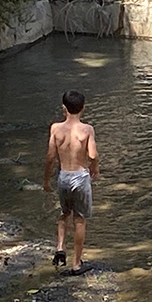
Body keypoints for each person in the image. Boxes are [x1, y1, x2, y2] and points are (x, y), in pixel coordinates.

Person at [43, 90, 98, 275]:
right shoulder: (87, 130)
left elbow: (50, 157)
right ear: (84, 108)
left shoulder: (55, 128)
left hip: (64, 176)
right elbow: (92, 155)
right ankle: (76, 264)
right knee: (79, 219)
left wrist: (46, 180)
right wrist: (94, 168)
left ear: (63, 108)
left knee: (63, 213)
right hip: (80, 177)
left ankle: (60, 248)